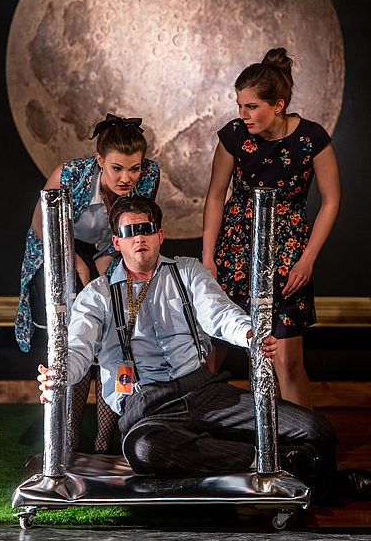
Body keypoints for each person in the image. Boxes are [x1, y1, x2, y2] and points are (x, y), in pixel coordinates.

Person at [38, 196, 371, 506]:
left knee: (316, 428)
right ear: (116, 242)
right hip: (146, 405)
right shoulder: (97, 295)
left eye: (147, 229)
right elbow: (78, 347)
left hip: (202, 389)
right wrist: (60, 374)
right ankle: (275, 460)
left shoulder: (187, 271)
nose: (139, 238)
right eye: (129, 232)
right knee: (145, 449)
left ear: (160, 235)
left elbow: (220, 314)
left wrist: (249, 333)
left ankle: (328, 491)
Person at [202, 48, 340, 409]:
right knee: (213, 353)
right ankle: (206, 433)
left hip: (288, 256)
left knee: (287, 363)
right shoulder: (234, 136)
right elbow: (215, 196)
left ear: (278, 105)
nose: (242, 114)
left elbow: (331, 201)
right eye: (239, 105)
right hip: (235, 250)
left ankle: (303, 439)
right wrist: (208, 258)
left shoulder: (311, 138)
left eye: (251, 106)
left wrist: (307, 260)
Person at [16, 114, 160, 454]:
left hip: (109, 249)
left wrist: (107, 265)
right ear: (99, 161)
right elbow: (41, 225)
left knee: (117, 333)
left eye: (134, 169)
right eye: (117, 168)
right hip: (59, 246)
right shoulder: (69, 174)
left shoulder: (150, 175)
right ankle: (67, 432)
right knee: (75, 333)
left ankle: (104, 440)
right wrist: (76, 263)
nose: (127, 178)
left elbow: (130, 227)